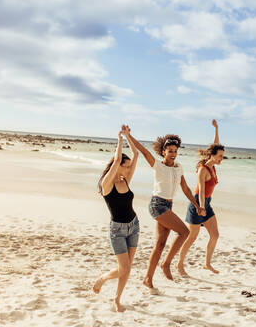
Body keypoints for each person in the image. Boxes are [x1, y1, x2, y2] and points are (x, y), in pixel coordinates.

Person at [125, 131, 205, 292]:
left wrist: (197, 205)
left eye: (175, 151)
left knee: (160, 244)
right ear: (163, 152)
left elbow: (185, 188)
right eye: (170, 151)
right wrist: (128, 136)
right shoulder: (158, 165)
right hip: (157, 205)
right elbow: (144, 150)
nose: (173, 154)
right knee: (184, 232)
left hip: (168, 206)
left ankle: (148, 278)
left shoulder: (178, 167)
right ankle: (166, 264)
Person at [92, 125, 139, 313]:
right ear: (116, 166)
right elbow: (119, 158)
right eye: (124, 166)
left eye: (128, 167)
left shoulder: (125, 180)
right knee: (124, 268)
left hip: (134, 226)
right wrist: (120, 140)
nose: (128, 169)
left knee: (127, 269)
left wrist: (129, 136)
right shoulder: (106, 184)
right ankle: (102, 278)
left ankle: (117, 299)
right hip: (117, 231)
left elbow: (135, 156)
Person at [176, 119, 225, 276]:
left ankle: (207, 264)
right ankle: (179, 265)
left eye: (223, 156)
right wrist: (202, 207)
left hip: (207, 204)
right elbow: (202, 191)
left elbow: (216, 144)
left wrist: (216, 129)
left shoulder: (212, 165)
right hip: (197, 204)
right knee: (191, 238)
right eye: (220, 156)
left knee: (215, 235)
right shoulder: (203, 170)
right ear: (212, 155)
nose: (221, 159)